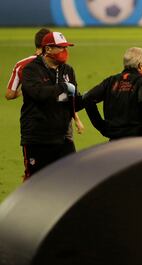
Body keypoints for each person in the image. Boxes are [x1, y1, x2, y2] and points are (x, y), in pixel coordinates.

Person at [20, 31, 83, 180]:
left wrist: (90, 98)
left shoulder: (67, 70)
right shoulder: (31, 70)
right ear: (48, 49)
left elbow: (74, 100)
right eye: (60, 47)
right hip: (37, 138)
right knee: (36, 183)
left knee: (70, 180)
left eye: (66, 47)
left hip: (63, 138)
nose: (64, 51)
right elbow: (38, 93)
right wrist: (63, 87)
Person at [6, 28, 84, 135]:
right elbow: (62, 92)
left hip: (57, 127)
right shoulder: (31, 67)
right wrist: (77, 119)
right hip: (40, 129)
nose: (64, 50)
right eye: (61, 47)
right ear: (47, 47)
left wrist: (26, 87)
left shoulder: (22, 64)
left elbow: (9, 94)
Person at [83, 47, 142, 140]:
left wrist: (101, 125)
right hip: (136, 140)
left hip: (114, 141)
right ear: (140, 66)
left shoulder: (111, 81)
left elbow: (88, 97)